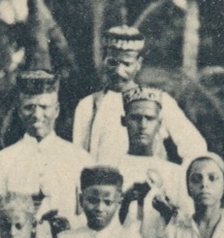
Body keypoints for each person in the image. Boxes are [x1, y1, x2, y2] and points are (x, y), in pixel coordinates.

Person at [0, 70, 91, 238]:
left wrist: (69, 226)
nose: (37, 115)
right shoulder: (3, 161)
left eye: (45, 107)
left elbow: (93, 216)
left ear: (57, 110)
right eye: (29, 107)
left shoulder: (79, 159)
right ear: (19, 111)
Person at [70, 25, 207, 165]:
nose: (119, 71)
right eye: (112, 62)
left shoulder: (159, 101)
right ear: (104, 60)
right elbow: (78, 158)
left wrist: (175, 179)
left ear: (138, 64)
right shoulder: (88, 105)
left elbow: (195, 148)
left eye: (127, 64)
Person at [115, 86, 192, 238]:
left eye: (149, 118)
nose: (142, 125)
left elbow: (188, 226)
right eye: (135, 118)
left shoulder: (175, 173)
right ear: (124, 121)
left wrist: (168, 211)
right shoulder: (113, 170)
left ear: (159, 123)